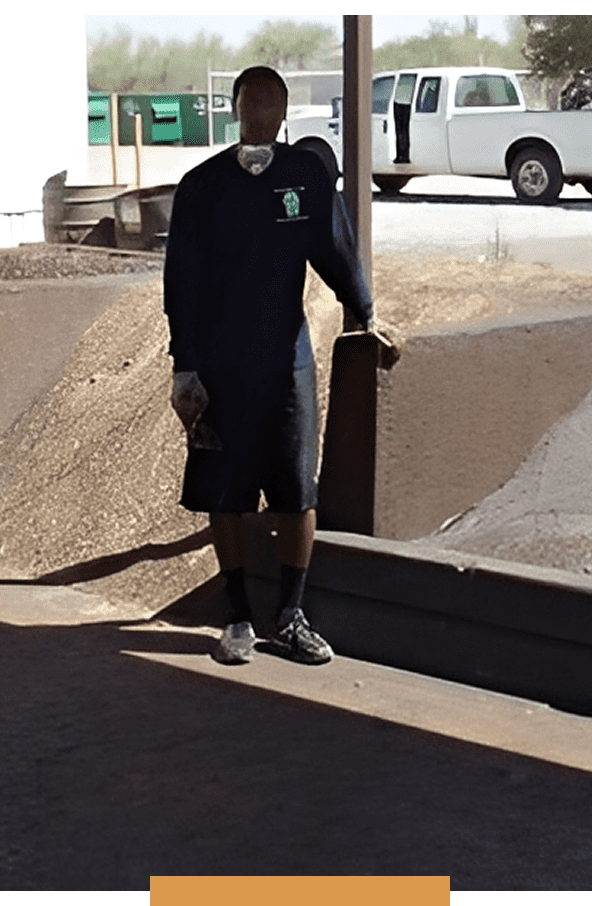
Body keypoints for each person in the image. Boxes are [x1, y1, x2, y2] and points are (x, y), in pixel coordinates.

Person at [163, 65, 373, 666]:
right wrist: (186, 367)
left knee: (296, 493)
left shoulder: (305, 178)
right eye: (252, 106)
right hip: (219, 370)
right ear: (236, 110)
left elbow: (336, 249)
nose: (263, 116)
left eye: (273, 106)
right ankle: (235, 616)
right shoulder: (201, 186)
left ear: (285, 114)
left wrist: (364, 311)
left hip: (290, 366)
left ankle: (291, 615)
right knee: (225, 495)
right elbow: (181, 282)